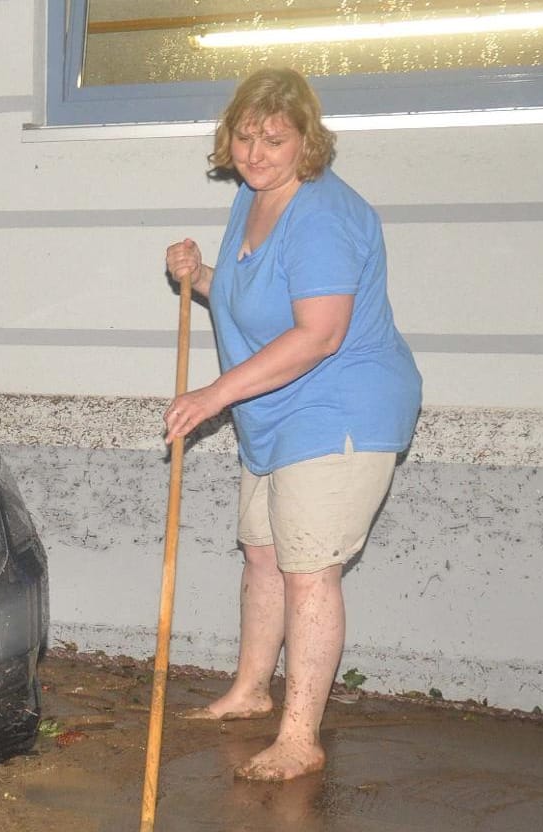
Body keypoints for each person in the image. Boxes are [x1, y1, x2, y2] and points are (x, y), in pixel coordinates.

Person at [162, 68, 421, 782]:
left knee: (310, 570)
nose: (256, 151)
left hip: (339, 408)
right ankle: (250, 691)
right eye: (245, 135)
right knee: (264, 554)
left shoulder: (325, 215)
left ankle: (300, 735)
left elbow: (319, 334)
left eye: (274, 138)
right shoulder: (251, 199)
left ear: (306, 140)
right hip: (274, 407)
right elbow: (259, 297)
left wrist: (214, 394)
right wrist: (202, 274)